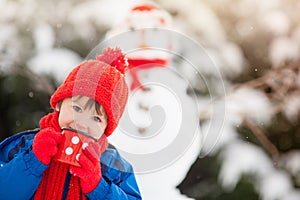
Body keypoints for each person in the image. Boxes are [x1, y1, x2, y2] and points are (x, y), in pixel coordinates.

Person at [0, 47, 142, 200]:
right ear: (59, 105)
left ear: (106, 128)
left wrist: (98, 186)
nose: (81, 123)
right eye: (76, 108)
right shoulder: (26, 145)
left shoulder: (112, 164)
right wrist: (32, 162)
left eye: (96, 118)